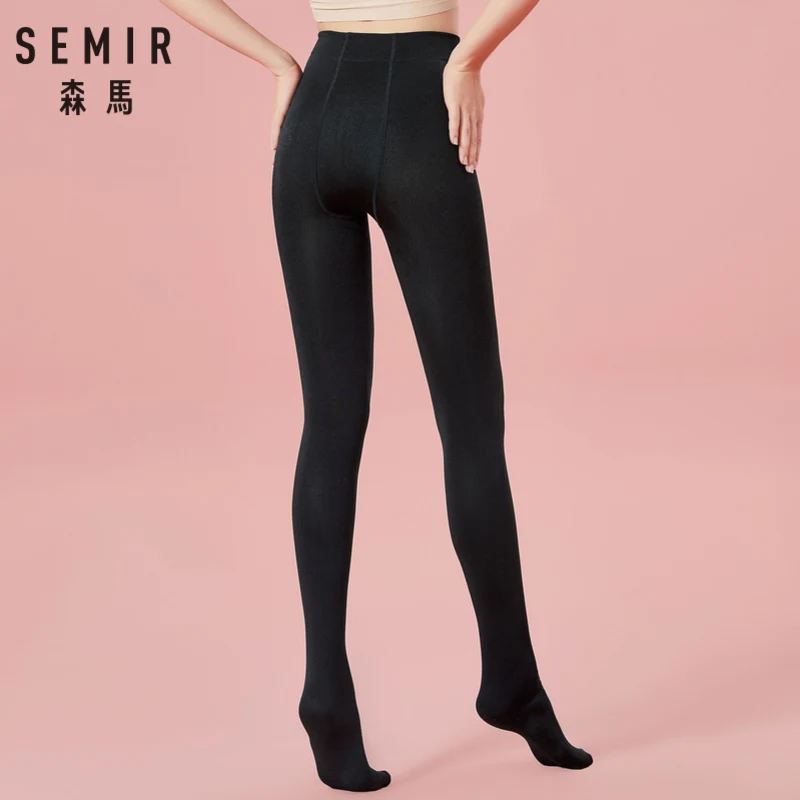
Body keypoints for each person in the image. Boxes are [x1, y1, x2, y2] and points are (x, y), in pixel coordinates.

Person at [159, 0, 593, 791]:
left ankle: (326, 697)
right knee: (471, 427)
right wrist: (470, 58)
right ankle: (512, 683)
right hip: (418, 112)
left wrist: (278, 62)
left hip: (316, 110)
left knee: (329, 424)